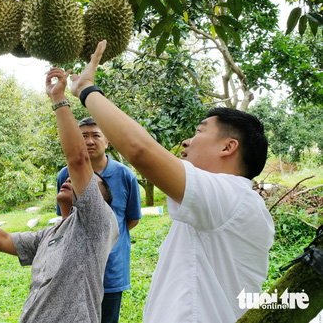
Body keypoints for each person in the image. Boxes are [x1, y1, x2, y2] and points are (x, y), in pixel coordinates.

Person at [70, 40, 275, 323]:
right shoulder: (225, 203)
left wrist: (87, 90)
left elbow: (140, 151)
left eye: (199, 131)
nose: (186, 140)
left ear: (228, 147)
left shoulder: (232, 196)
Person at [0, 67, 119, 322]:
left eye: (85, 182)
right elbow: (4, 240)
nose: (72, 180)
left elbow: (78, 159)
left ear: (95, 200)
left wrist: (58, 99)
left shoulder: (97, 223)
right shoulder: (50, 233)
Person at [56, 116, 141, 323]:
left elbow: (130, 219)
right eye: (83, 136)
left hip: (111, 270)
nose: (89, 141)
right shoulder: (65, 174)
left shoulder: (125, 176)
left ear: (107, 140)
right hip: (74, 268)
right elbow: (64, 218)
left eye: (96, 135)